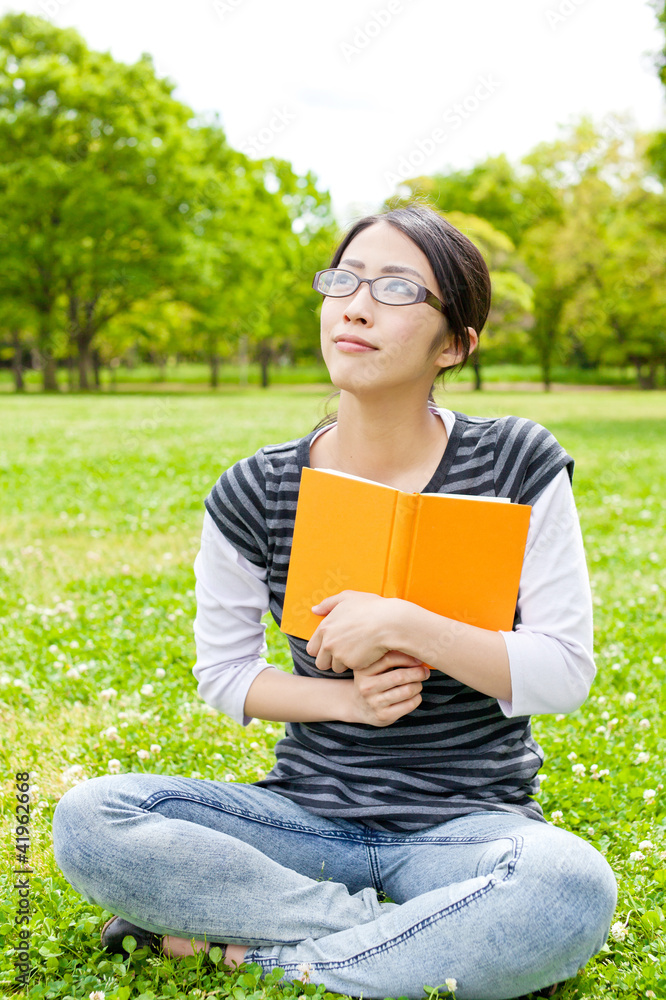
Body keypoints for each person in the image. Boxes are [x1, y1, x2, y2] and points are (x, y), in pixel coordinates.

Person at [52, 204, 617, 1000]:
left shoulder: (516, 461)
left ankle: (264, 950)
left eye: (395, 288)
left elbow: (564, 673)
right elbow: (224, 675)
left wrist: (404, 623)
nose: (355, 304)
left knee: (570, 885)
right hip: (303, 822)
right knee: (91, 817)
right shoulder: (256, 491)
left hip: (467, 830)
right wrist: (348, 703)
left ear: (454, 345)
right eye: (343, 280)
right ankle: (410, 936)